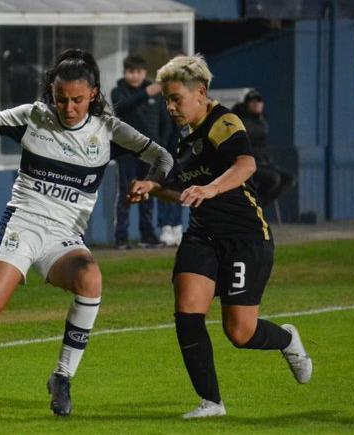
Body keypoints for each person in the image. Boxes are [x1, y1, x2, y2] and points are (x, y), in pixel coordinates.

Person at [0, 49, 173, 416]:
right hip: (22, 225)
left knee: (91, 280)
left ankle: (62, 376)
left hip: (64, 237)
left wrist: (150, 184)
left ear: (92, 93)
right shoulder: (34, 118)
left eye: (77, 99)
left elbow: (163, 158)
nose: (69, 107)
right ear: (52, 93)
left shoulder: (108, 130)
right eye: (61, 99)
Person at [129, 54, 312, 419]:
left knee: (240, 333)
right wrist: (153, 186)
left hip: (245, 236)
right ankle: (211, 402)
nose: (170, 106)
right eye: (166, 98)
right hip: (203, 234)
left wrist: (211, 189)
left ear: (201, 93)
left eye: (175, 98)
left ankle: (287, 339)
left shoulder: (223, 121)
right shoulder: (184, 139)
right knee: (187, 308)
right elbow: (183, 190)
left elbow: (246, 165)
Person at [111, 54, 173, 249]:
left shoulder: (156, 94)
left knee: (148, 192)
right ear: (124, 73)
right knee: (125, 193)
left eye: (138, 72)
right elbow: (121, 108)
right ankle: (121, 237)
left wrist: (160, 146)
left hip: (150, 153)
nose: (134, 76)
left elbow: (166, 122)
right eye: (130, 72)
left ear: (145, 72)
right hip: (126, 151)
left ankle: (148, 236)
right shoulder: (118, 91)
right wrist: (146, 93)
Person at [232, 90, 296, 208]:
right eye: (253, 102)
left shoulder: (261, 120)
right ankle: (252, 209)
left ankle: (255, 207)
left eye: (259, 101)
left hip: (262, 162)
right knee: (273, 179)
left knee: (289, 179)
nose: (257, 104)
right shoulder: (239, 119)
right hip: (244, 163)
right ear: (247, 104)